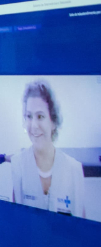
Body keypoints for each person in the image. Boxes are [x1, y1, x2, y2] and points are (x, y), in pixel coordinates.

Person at [9, 80, 85, 218]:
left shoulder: (74, 169)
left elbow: (81, 228)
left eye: (40, 116)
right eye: (29, 116)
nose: (33, 125)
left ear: (53, 121)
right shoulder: (18, 164)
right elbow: (17, 221)